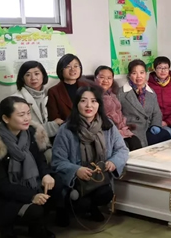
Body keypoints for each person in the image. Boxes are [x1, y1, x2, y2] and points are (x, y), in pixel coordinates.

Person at [0, 96, 62, 238]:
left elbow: (40, 160)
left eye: (28, 113)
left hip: (30, 183)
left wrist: (46, 175)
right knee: (35, 209)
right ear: (6, 118)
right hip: (5, 194)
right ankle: (6, 226)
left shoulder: (31, 132)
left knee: (56, 184)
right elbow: (0, 184)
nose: (27, 118)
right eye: (21, 115)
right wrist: (31, 196)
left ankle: (36, 227)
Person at [52, 86, 129, 222]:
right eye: (83, 101)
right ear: (76, 104)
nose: (89, 105)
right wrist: (76, 170)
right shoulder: (66, 130)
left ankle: (92, 207)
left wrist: (114, 162)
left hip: (98, 178)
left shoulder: (108, 125)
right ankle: (67, 207)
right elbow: (57, 161)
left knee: (105, 194)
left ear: (99, 104)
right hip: (76, 182)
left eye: (94, 101)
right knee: (81, 203)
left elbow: (122, 149)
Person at [118, 60, 171, 147]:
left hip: (148, 127)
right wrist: (123, 128)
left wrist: (155, 125)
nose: (139, 76)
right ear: (129, 75)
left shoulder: (151, 92)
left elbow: (157, 112)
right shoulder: (121, 93)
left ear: (146, 74)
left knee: (165, 136)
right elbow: (117, 114)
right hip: (131, 130)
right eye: (134, 73)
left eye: (142, 72)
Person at [94, 65, 141, 151]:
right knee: (125, 147)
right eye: (102, 77)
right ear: (95, 78)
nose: (105, 81)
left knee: (136, 142)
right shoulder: (93, 96)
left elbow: (119, 112)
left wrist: (124, 126)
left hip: (122, 129)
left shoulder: (113, 94)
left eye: (109, 78)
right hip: (108, 131)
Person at [14, 61, 64, 138]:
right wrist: (53, 125)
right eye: (28, 75)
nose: (33, 78)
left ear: (43, 75)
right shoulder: (16, 99)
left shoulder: (50, 93)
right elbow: (23, 130)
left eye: (36, 74)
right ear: (22, 78)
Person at [147, 56, 171, 139]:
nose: (163, 71)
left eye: (165, 68)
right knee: (169, 133)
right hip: (156, 120)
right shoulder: (148, 85)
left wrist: (168, 121)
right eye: (159, 68)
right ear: (154, 69)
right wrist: (157, 121)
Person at [47, 54, 90, 121]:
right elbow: (54, 118)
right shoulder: (53, 92)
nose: (73, 69)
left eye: (76, 66)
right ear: (61, 69)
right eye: (68, 66)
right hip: (66, 126)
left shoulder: (86, 86)